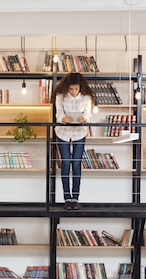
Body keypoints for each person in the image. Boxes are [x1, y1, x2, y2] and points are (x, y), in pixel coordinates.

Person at [52, 72, 95, 210]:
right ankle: (67, 198)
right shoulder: (60, 96)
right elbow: (58, 114)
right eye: (71, 89)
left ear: (80, 86)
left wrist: (84, 119)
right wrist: (63, 119)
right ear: (66, 87)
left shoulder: (87, 97)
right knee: (65, 164)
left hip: (79, 133)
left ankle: (75, 198)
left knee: (76, 165)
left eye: (76, 89)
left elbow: (88, 114)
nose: (74, 91)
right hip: (63, 132)